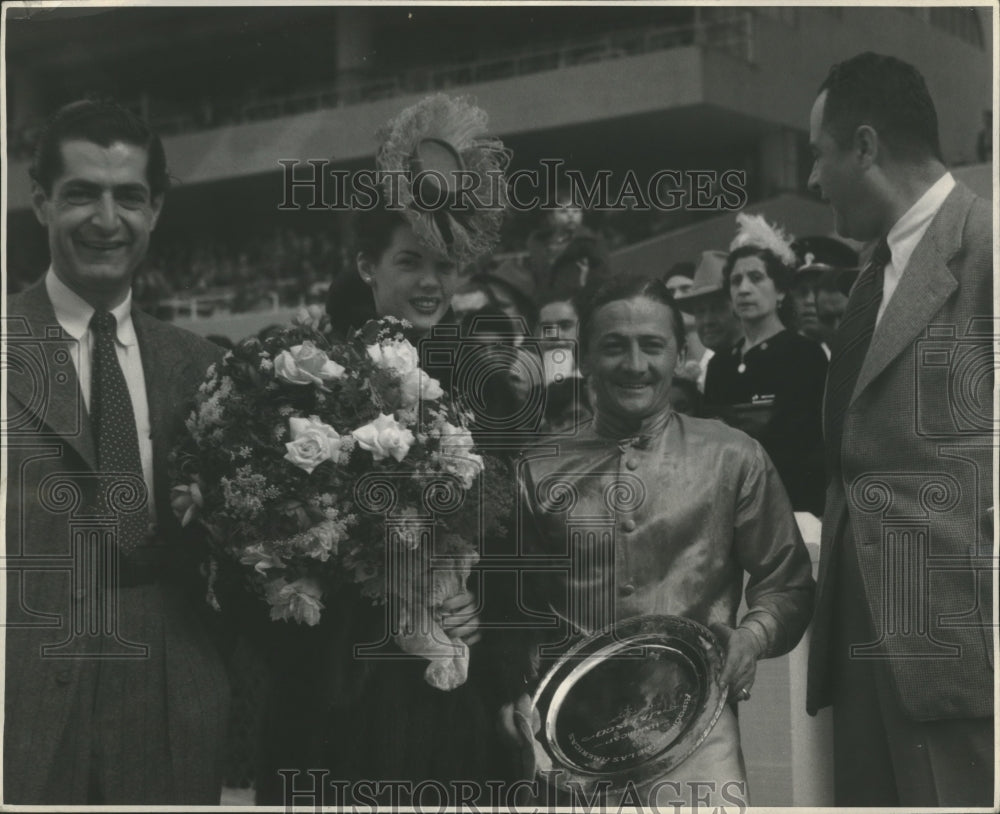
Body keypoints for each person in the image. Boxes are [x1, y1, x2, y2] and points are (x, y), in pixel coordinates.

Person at [256, 94, 520, 807]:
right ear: (367, 265)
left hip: (453, 694)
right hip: (345, 681)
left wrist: (482, 609)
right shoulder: (311, 378)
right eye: (409, 260)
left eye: (443, 263)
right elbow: (284, 536)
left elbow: (515, 535)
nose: (430, 282)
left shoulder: (482, 381)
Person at [499, 275, 814, 807]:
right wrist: (516, 689)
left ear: (678, 353)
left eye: (652, 345)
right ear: (585, 357)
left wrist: (753, 637)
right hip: (567, 743)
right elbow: (510, 605)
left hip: (699, 736)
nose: (635, 365)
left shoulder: (733, 456)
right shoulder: (536, 468)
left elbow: (787, 582)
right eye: (614, 346)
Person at [3, 99, 230, 804]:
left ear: (156, 208)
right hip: (26, 706)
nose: (107, 221)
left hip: (174, 703)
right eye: (81, 195)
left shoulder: (199, 365)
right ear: (40, 204)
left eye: (128, 197)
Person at [806, 52, 993, 807]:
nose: (813, 181)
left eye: (817, 154)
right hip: (862, 643)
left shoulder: (987, 246)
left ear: (864, 145)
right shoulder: (869, 275)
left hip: (954, 648)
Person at [703, 217, 828, 516]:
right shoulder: (720, 364)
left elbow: (809, 448)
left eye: (756, 278)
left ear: (781, 290)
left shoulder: (805, 355)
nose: (744, 289)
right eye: (736, 281)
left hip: (792, 509)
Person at [673, 250, 744, 392]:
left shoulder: (765, 359)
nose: (707, 321)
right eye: (700, 311)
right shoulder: (715, 368)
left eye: (716, 308)